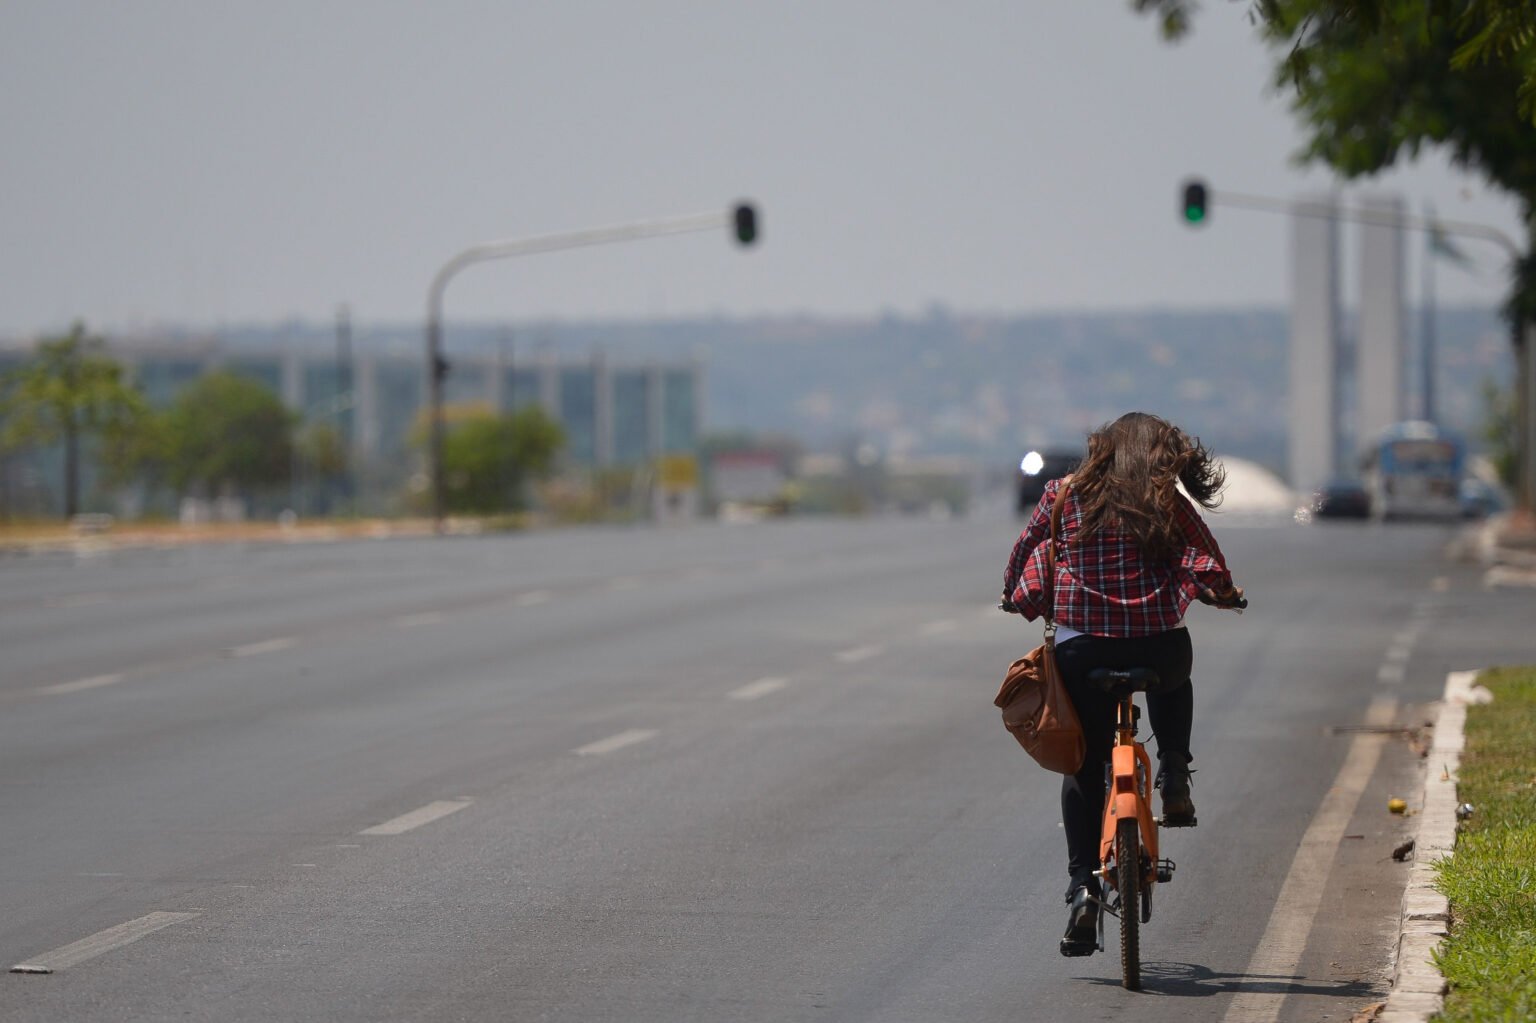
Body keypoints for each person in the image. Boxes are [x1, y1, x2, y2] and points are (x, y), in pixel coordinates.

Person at [999, 411, 1243, 958]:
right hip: (1157, 648)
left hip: (1082, 654)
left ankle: (1082, 888)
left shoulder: (1063, 494)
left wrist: (1012, 594)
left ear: (1102, 450)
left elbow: (1022, 557)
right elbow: (1208, 559)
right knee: (1174, 679)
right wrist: (1225, 593)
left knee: (1083, 769)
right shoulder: (1165, 500)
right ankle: (1174, 770)